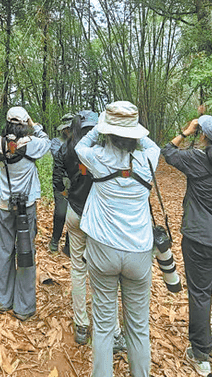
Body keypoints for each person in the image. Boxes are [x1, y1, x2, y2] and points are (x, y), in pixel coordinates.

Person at [76, 101, 161, 377]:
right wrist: (130, 126)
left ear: (106, 133)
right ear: (135, 134)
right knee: (138, 328)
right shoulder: (149, 158)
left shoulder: (98, 156)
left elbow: (80, 146)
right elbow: (149, 143)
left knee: (102, 326)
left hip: (103, 249)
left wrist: (103, 123)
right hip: (138, 251)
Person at [162, 115, 212, 376]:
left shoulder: (197, 158)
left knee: (200, 294)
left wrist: (187, 131)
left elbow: (167, 151)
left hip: (201, 238)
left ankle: (201, 354)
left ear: (204, 136)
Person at [55, 110, 127, 350]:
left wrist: (68, 194)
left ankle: (81, 326)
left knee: (78, 268)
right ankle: (112, 330)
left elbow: (60, 181)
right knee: (103, 274)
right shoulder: (103, 152)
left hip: (75, 212)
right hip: (98, 216)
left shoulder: (66, 149)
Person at [0, 106, 51, 321]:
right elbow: (47, 141)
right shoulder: (32, 144)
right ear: (25, 123)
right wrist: (35, 126)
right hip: (26, 207)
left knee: (5, 250)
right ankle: (24, 308)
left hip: (4, 204)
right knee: (25, 253)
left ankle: (2, 300)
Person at [49, 113, 74, 252]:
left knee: (74, 213)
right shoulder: (56, 142)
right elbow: (58, 156)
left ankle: (69, 245)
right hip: (61, 182)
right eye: (67, 128)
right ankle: (55, 240)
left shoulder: (79, 141)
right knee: (60, 213)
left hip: (76, 182)